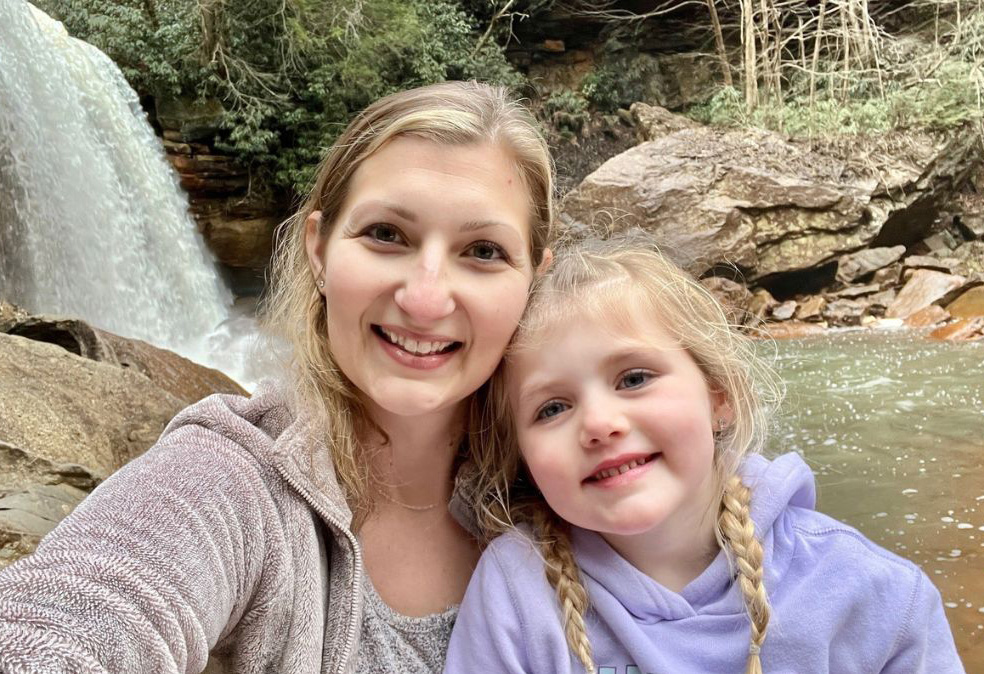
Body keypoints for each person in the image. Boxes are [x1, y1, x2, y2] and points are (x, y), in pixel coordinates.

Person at [0, 81, 554, 673]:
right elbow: (70, 617)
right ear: (319, 251)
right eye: (386, 234)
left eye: (484, 251)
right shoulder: (234, 477)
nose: (424, 300)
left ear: (535, 279)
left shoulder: (576, 476)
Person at [444, 233, 964, 674]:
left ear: (719, 396)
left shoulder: (873, 594)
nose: (599, 424)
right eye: (552, 408)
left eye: (634, 378)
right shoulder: (516, 594)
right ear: (521, 455)